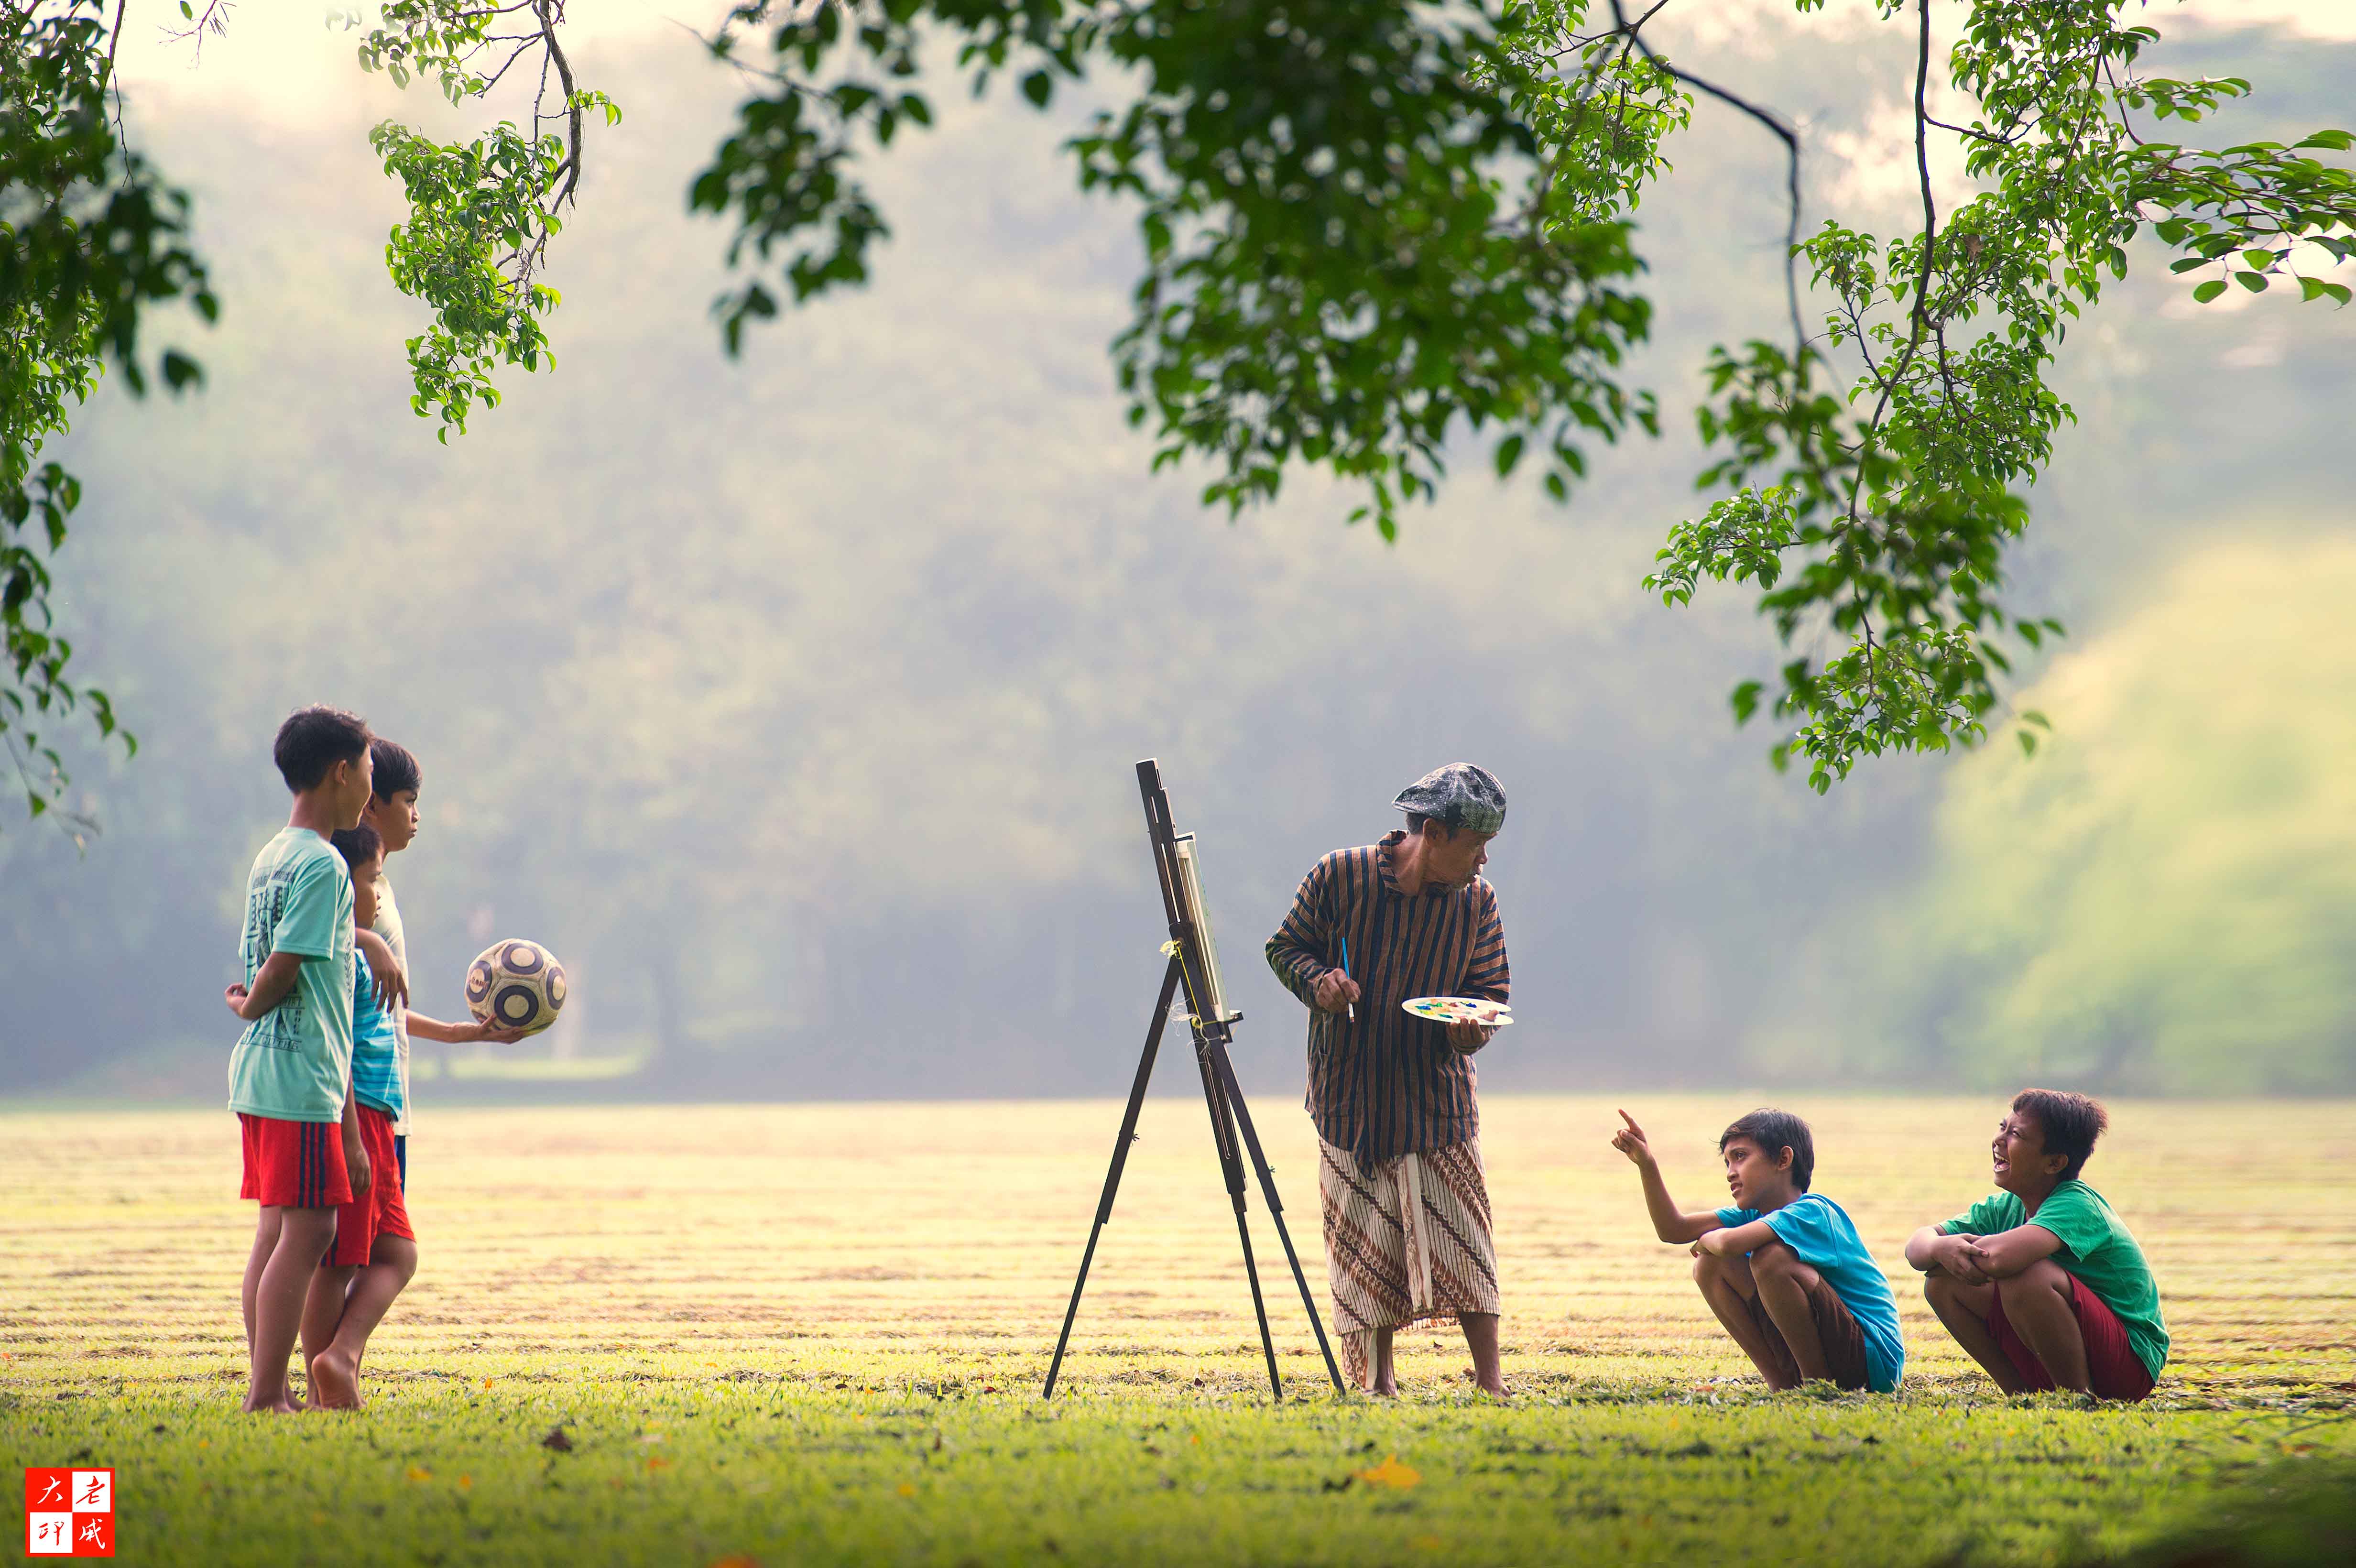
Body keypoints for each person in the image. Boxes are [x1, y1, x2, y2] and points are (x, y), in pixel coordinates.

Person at [1265, 762, 1510, 1396]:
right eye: (1475, 845)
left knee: (1467, 1241)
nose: (1483, 861)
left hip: (1437, 1097)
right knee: (1363, 1248)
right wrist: (1319, 983)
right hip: (1352, 1094)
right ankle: (1377, 1383)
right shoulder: (1338, 875)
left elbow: (1489, 992)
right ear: (1432, 832)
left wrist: (1471, 1028)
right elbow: (1285, 948)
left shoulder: (1477, 903)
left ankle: (1490, 1381)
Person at [222, 705, 374, 1414]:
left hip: (261, 1070)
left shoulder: (271, 855)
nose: (370, 792)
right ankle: (265, 1395)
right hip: (300, 1072)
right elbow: (284, 965)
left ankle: (269, 1387)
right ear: (340, 772)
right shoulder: (322, 865)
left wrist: (251, 1009)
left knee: (277, 1229)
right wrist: (253, 1001)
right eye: (368, 773)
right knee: (309, 1230)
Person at [1611, 1107, 1904, 1393]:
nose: (1730, 1173)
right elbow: (1672, 1230)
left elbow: (1728, 1243)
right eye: (1727, 1163)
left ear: (1783, 1159)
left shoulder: (1814, 1212)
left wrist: (1707, 1240)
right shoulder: (1752, 1214)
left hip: (1871, 1359)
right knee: (1709, 1266)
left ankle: (1816, 1387)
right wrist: (1646, 1163)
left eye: (1740, 1157)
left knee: (1772, 1259)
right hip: (1833, 1349)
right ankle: (1782, 1383)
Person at [1906, 1089, 2168, 1401]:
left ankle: (2076, 1400)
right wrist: (1938, 1249)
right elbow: (1918, 1245)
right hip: (2064, 1351)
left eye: (2016, 1134)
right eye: (2002, 1127)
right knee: (1942, 1282)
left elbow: (2000, 1259)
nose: (2000, 1140)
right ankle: (2021, 1396)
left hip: (2128, 1364)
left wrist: (1953, 1248)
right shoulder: (2004, 1207)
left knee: (2028, 1275)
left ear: (2055, 1163)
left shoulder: (2077, 1204)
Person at [357, 737, 521, 1192]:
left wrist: (457, 1033)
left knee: (386, 1253)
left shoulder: (380, 884)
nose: (416, 816)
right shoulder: (358, 889)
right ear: (372, 805)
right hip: (365, 1103)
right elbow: (341, 1000)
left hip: (391, 1101)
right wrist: (365, 938)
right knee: (376, 1255)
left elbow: (375, 1006)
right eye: (409, 802)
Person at [299, 824, 416, 1410]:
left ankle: (338, 1359)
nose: (378, 888)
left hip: (377, 1113)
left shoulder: (359, 948)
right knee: (339, 1260)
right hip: (359, 1115)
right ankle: (329, 1374)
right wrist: (351, 1138)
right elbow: (336, 1048)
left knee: (396, 1253)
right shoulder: (342, 957)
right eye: (371, 878)